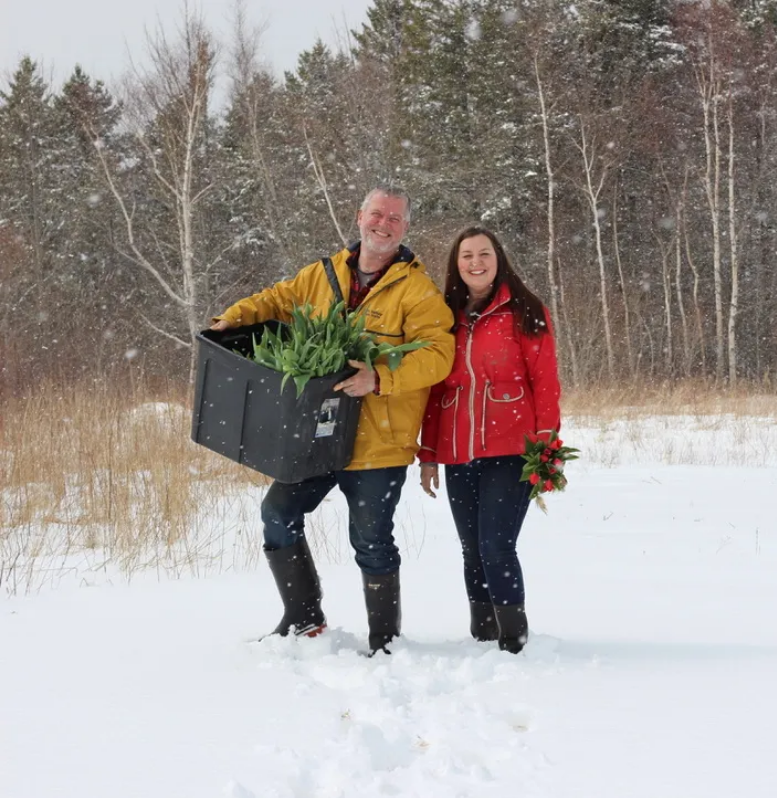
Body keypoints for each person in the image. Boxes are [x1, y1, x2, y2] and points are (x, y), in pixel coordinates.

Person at [210, 185, 455, 654]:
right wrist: (232, 318)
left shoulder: (417, 292)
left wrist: (380, 378)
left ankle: (384, 639)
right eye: (377, 214)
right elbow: (277, 300)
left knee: (371, 540)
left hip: (377, 443)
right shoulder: (321, 274)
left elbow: (439, 355)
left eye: (395, 219)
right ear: (359, 216)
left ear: (405, 228)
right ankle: (304, 618)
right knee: (278, 514)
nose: (384, 224)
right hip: (317, 435)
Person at [418, 226, 562, 654]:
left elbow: (546, 382)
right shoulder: (444, 316)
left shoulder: (525, 310)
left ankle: (514, 639)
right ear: (456, 264)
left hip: (512, 447)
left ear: (498, 259)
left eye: (484, 254)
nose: (475, 263)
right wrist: (428, 453)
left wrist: (546, 448)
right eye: (466, 256)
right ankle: (483, 633)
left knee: (495, 545)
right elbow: (434, 390)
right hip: (458, 450)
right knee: (471, 549)